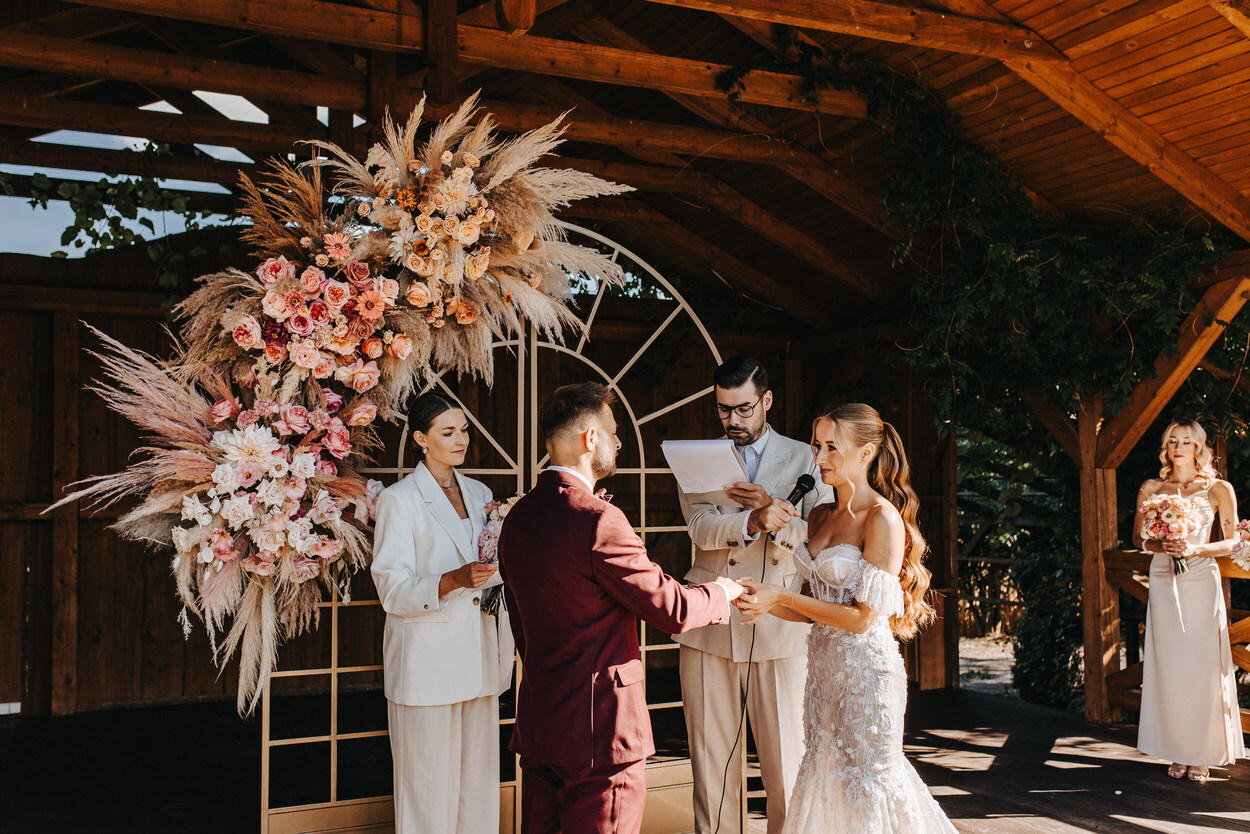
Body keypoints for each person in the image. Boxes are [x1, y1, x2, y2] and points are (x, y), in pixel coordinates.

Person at [499, 382, 745, 834]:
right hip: (601, 732)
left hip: (540, 722)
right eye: (613, 432)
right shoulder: (597, 519)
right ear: (590, 438)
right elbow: (671, 609)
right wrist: (722, 591)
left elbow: (519, 622)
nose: (618, 442)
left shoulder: (518, 517)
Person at [735, 404, 956, 833]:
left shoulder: (882, 519)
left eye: (832, 447)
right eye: (817, 445)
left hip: (866, 679)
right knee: (823, 775)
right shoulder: (819, 515)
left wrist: (781, 595)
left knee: (868, 785)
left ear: (866, 452)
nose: (818, 458)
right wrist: (758, 599)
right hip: (823, 677)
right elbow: (809, 607)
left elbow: (860, 619)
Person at [673, 355, 832, 834]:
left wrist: (774, 518)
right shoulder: (697, 457)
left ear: (767, 401)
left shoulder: (808, 458)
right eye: (723, 409)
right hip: (709, 625)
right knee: (711, 768)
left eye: (743, 409)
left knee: (787, 766)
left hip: (780, 625)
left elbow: (823, 540)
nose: (733, 420)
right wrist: (750, 521)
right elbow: (700, 528)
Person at [370, 392, 515, 833]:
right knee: (427, 789)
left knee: (478, 787)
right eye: (448, 432)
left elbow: (490, 567)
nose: (461, 440)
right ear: (421, 438)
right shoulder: (399, 500)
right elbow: (392, 589)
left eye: (464, 430)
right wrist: (451, 580)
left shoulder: (480, 493)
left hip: (479, 656)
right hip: (426, 664)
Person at [1133, 420, 1245, 782]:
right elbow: (1137, 539)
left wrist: (1195, 549)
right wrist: (1160, 544)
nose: (1178, 448)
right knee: (1170, 665)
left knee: (1201, 664)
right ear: (1166, 447)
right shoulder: (1151, 488)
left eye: (1186, 442)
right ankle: (1178, 750)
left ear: (1198, 447)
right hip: (1163, 577)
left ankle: (1201, 753)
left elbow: (1233, 541)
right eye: (1172, 441)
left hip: (1200, 579)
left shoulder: (1218, 489)